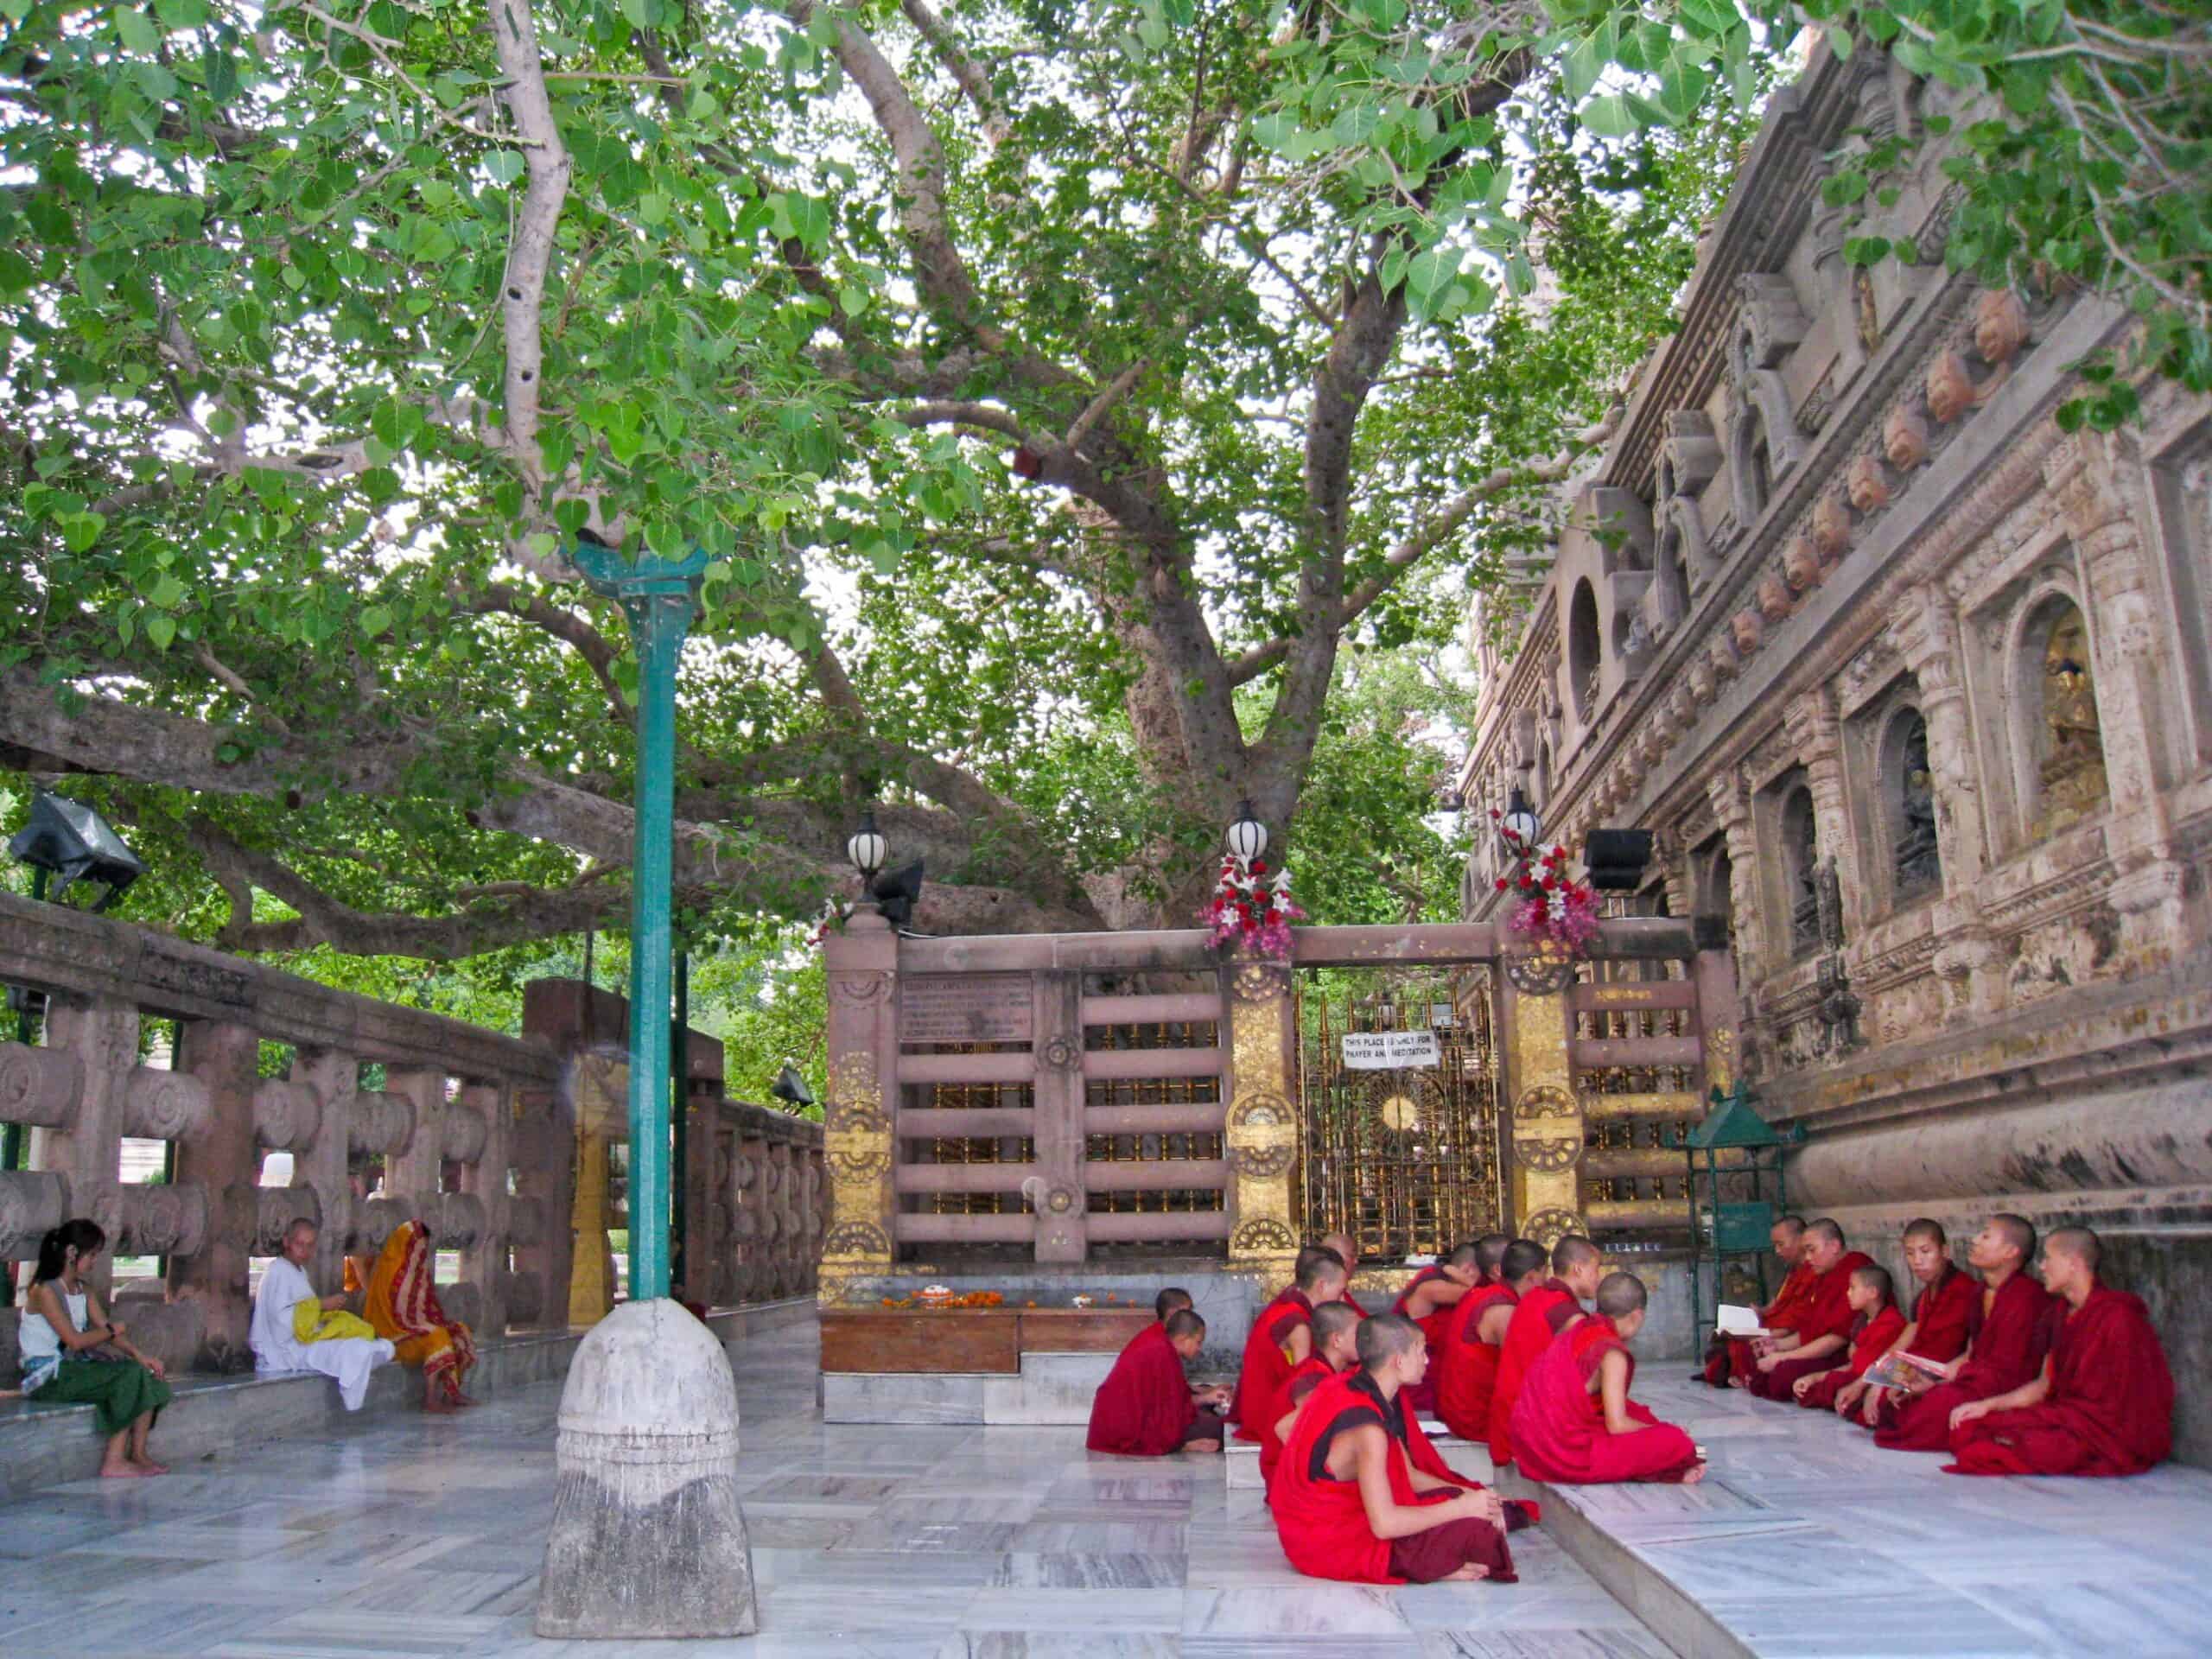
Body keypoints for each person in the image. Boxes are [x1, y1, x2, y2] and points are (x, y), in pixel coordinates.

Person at [1270, 1314, 1518, 1586]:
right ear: (1399, 1361)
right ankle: (1424, 1565)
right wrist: (1460, 1508)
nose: (1426, 1360)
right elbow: (1384, 1524)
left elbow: (1407, 1476)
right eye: (1421, 1351)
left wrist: (1466, 1495)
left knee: (1474, 1506)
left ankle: (1431, 1558)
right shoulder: (1368, 1430)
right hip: (1332, 1543)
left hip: (1313, 1529)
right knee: (1479, 1537)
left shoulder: (1343, 1385)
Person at [1946, 1227, 2173, 1478]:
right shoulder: (2059, 1314)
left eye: (2048, 1258)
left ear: (2073, 1263)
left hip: (2106, 1433)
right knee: (1968, 1427)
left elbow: (2133, 1408)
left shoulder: (2118, 1317)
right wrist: (1987, 1405)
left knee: (1997, 1450)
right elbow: (2045, 1384)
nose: (2041, 1267)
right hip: (2066, 1418)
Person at [1875, 1214, 2052, 1452]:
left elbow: (2026, 1373)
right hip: (1970, 1380)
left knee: (1936, 1411)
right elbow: (1971, 1354)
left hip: (2006, 1390)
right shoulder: (1979, 1293)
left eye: (1986, 1235)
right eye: (1910, 1253)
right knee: (1904, 1402)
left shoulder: (2029, 1297)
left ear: (2010, 1251)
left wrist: (1986, 1402)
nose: (1975, 1240)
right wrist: (1928, 1381)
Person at [1510, 1271, 1704, 1485]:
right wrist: (1665, 1432)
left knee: (1639, 1414)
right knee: (1676, 1442)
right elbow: (1617, 1425)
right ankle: (1671, 1464)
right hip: (1565, 1456)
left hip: (1533, 1445)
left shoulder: (1582, 1329)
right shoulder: (1611, 1352)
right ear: (1637, 1315)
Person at [16, 1220, 174, 1478]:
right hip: (48, 1375)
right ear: (71, 1253)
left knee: (146, 1375)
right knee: (127, 1377)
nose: (93, 1261)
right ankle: (114, 1461)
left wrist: (141, 1356)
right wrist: (113, 1331)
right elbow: (75, 1341)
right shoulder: (43, 1291)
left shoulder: (84, 1290)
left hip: (72, 1369)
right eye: (91, 1254)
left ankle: (139, 1454)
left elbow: (106, 1328)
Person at [1833, 1218, 1977, 1426]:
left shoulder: (1966, 1291)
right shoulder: (1923, 1299)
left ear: (1945, 1251)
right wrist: (1871, 1382)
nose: (1917, 1261)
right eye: (1910, 1253)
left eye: (1925, 1251)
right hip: (1917, 1369)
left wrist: (1883, 1383)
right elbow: (1902, 1347)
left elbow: (1964, 1354)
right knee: (1865, 1398)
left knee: (1892, 1407)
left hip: (1944, 1373)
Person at [251, 1217, 396, 1410]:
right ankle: (351, 1392)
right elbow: (280, 1321)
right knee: (356, 1350)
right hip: (284, 1350)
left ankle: (354, 1372)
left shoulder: (298, 1271)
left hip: (302, 1339)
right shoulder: (278, 1271)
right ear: (286, 1241)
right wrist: (322, 1304)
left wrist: (325, 1320)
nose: (304, 1251)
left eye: (310, 1245)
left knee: (379, 1346)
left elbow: (302, 1314)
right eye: (299, 1244)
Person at [1489, 1234, 1605, 1468]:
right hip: (1530, 1428)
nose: (1598, 1278)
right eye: (1596, 1269)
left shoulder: (1535, 1297)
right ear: (1578, 1269)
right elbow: (1581, 1384)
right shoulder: (1568, 1315)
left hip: (1508, 1420)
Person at [1745, 1219, 1873, 1400]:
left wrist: (1783, 1357)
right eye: (1806, 1251)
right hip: (1821, 1349)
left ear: (1834, 1246)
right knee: (1759, 1362)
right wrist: (1777, 1345)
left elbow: (1837, 1337)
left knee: (1781, 1375)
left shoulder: (1856, 1270)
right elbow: (1811, 1328)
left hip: (1843, 1353)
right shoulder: (1824, 1274)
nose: (1808, 1258)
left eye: (1812, 1250)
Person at [362, 1219, 480, 1413]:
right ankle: (430, 1399)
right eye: (417, 1245)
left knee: (460, 1330)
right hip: (396, 1336)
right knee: (437, 1336)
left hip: (415, 1327)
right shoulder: (390, 1270)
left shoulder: (418, 1268)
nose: (421, 1251)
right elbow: (395, 1315)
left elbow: (427, 1305)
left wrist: (431, 1323)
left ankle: (452, 1393)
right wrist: (423, 1326)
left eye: (423, 1246)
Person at [1231, 1246, 1346, 1442]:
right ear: (1321, 1285)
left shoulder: (1289, 1302)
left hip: (1258, 1409)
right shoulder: (1297, 1323)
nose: (1343, 1298)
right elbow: (1305, 1382)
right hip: (1270, 1420)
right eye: (1341, 1291)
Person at [1435, 1238, 1545, 1443]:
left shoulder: (1479, 1294)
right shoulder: (1504, 1311)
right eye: (1543, 1274)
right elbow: (1521, 1374)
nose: (1545, 1283)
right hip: (1476, 1419)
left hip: (1453, 1412)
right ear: (1531, 1276)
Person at [1087, 1307, 1228, 1455]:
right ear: (1182, 1339)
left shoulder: (1161, 1340)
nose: (1199, 1348)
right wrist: (1206, 1398)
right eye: (1198, 1342)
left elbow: (1174, 1398)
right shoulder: (1161, 1353)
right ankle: (1186, 1445)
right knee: (1221, 1429)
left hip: (1114, 1421)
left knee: (1209, 1409)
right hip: (1122, 1430)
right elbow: (1168, 1413)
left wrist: (1207, 1395)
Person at [1702, 1215, 1813, 1386]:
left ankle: (1741, 1373)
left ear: (1801, 1240)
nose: (1777, 1251)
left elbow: (1796, 1324)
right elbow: (1778, 1304)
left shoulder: (1813, 1273)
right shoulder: (1793, 1272)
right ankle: (1737, 1370)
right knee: (1722, 1349)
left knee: (1740, 1349)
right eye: (1775, 1245)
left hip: (1786, 1337)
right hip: (1772, 1329)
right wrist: (1762, 1311)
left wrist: (1759, 1336)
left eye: (1780, 1244)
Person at [1262, 1301, 1363, 1488]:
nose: (1364, 1340)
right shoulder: (1313, 1378)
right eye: (1358, 1334)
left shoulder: (1329, 1371)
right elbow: (1286, 1430)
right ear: (1337, 1340)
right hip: (1287, 1481)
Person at [1795, 1263, 1905, 1412]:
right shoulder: (1862, 1321)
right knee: (1817, 1385)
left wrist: (1822, 1379)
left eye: (1852, 1288)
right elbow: (1855, 1364)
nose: (1847, 1293)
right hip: (1858, 1376)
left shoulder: (1890, 1322)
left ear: (1873, 1292)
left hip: (1872, 1381)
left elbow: (1866, 1368)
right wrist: (1814, 1377)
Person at [1390, 1241, 1484, 1414]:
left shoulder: (1445, 1282)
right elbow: (1480, 1296)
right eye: (1483, 1274)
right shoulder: (1430, 1286)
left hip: (1442, 1386)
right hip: (1418, 1391)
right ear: (1468, 1269)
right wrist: (1458, 1274)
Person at [1319, 1235, 1370, 1316]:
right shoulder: (1327, 1294)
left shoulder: (1341, 1292)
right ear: (1334, 1256)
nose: (1356, 1261)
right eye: (1352, 1256)